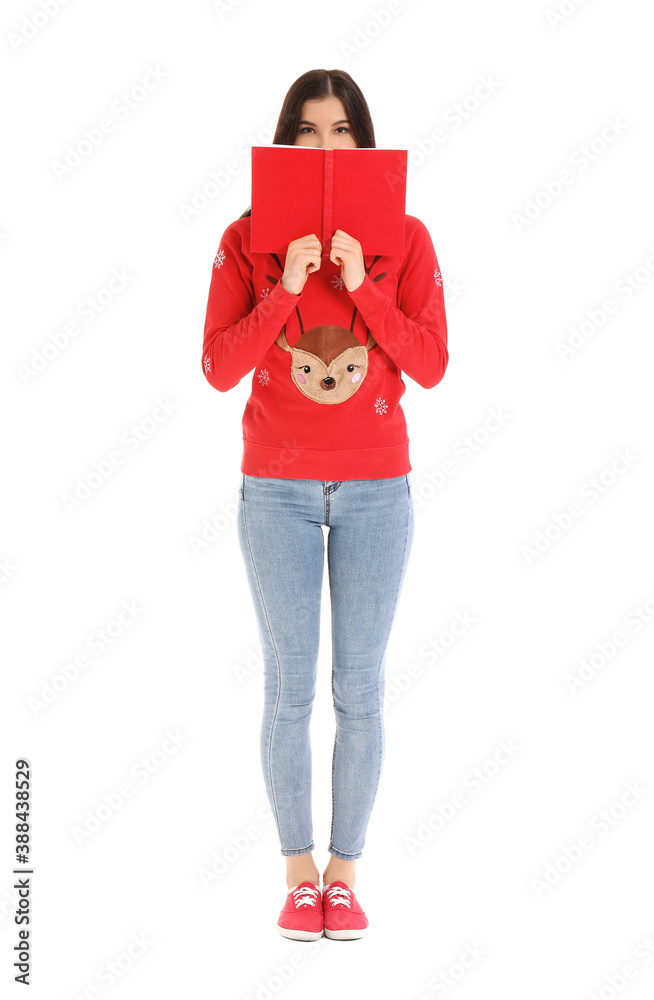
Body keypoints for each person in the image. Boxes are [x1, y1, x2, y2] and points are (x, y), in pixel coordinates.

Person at [202, 68, 448, 941]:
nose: (325, 148)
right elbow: (219, 368)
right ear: (283, 144)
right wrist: (283, 286)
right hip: (275, 488)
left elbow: (430, 363)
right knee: (288, 690)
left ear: (364, 143)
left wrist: (364, 282)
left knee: (361, 689)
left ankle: (346, 871)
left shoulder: (406, 239)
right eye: (306, 133)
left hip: (379, 490)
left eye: (342, 132)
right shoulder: (244, 241)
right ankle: (296, 872)